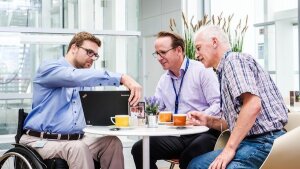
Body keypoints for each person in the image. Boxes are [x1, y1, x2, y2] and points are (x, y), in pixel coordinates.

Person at [19, 31, 142, 169]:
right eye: (89, 52)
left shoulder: (84, 80)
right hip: (41, 141)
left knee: (112, 143)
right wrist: (122, 78)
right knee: (78, 147)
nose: (92, 58)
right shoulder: (49, 69)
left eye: (95, 55)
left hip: (75, 140)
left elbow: (93, 113)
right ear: (74, 48)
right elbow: (74, 77)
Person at [187, 25, 288, 169]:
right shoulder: (224, 70)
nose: (196, 55)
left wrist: (229, 149)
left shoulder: (233, 61)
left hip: (266, 141)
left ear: (214, 42)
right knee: (196, 164)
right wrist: (208, 120)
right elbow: (238, 123)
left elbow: (253, 105)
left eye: (198, 48)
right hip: (253, 141)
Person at [131, 31, 222, 169]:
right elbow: (156, 108)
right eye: (157, 53)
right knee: (140, 149)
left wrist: (201, 117)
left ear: (178, 50)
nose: (159, 58)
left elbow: (218, 103)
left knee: (188, 156)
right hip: (177, 136)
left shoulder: (202, 71)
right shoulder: (164, 80)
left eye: (163, 52)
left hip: (204, 132)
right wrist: (141, 108)